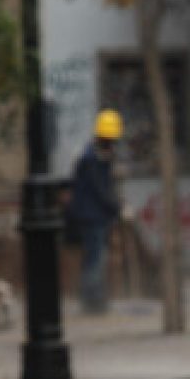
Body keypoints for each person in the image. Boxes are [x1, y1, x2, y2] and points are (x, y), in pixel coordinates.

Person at [69, 110, 123, 314]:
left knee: (95, 256)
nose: (113, 144)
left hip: (97, 215)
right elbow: (100, 189)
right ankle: (93, 302)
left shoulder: (98, 156)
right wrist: (117, 207)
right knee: (96, 258)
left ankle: (93, 298)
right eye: (110, 140)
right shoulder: (91, 159)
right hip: (91, 216)